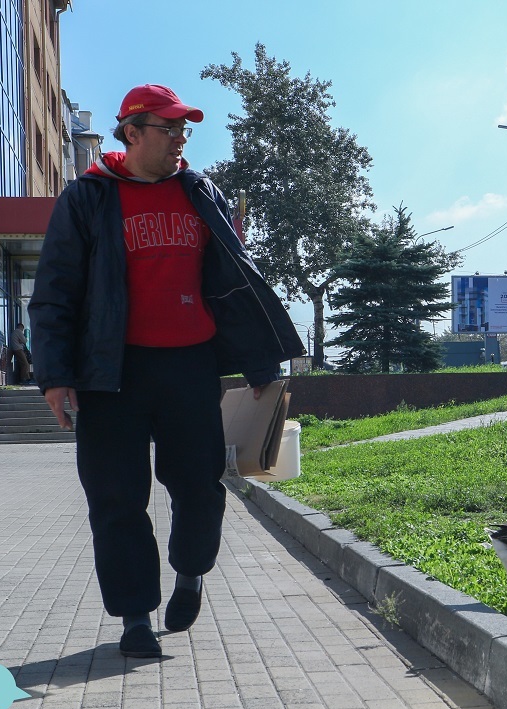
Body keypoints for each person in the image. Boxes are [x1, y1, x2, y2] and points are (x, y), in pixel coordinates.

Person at [29, 84, 304, 658]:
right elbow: (55, 292)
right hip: (112, 373)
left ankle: (191, 573)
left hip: (189, 365)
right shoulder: (87, 198)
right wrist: (55, 375)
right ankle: (134, 618)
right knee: (116, 497)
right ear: (131, 131)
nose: (181, 139)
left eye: (185, 130)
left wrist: (258, 360)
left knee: (199, 488)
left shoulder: (200, 190)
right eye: (169, 129)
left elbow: (234, 278)